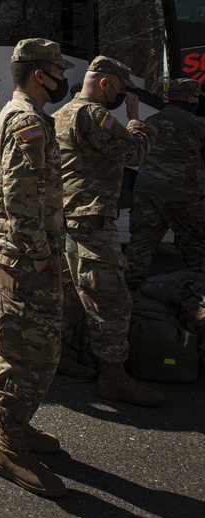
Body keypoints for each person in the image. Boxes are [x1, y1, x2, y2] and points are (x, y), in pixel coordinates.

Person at [0, 38, 70, 498]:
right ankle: (8, 445)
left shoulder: (16, 113)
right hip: (24, 252)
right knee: (32, 348)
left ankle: (9, 424)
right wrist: (38, 254)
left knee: (14, 337)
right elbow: (20, 199)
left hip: (16, 247)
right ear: (41, 74)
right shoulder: (26, 119)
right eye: (57, 70)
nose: (61, 79)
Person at [54, 55, 162, 407]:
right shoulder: (93, 115)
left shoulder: (60, 114)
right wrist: (135, 119)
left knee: (70, 295)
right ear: (105, 84)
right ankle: (113, 379)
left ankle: (61, 355)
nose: (121, 95)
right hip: (91, 221)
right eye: (120, 89)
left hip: (65, 219)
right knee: (112, 299)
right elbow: (134, 153)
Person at [123, 78, 205, 288]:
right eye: (196, 98)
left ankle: (127, 298)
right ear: (189, 98)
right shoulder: (196, 124)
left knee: (140, 247)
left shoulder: (151, 121)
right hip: (185, 197)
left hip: (148, 194)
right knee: (197, 251)